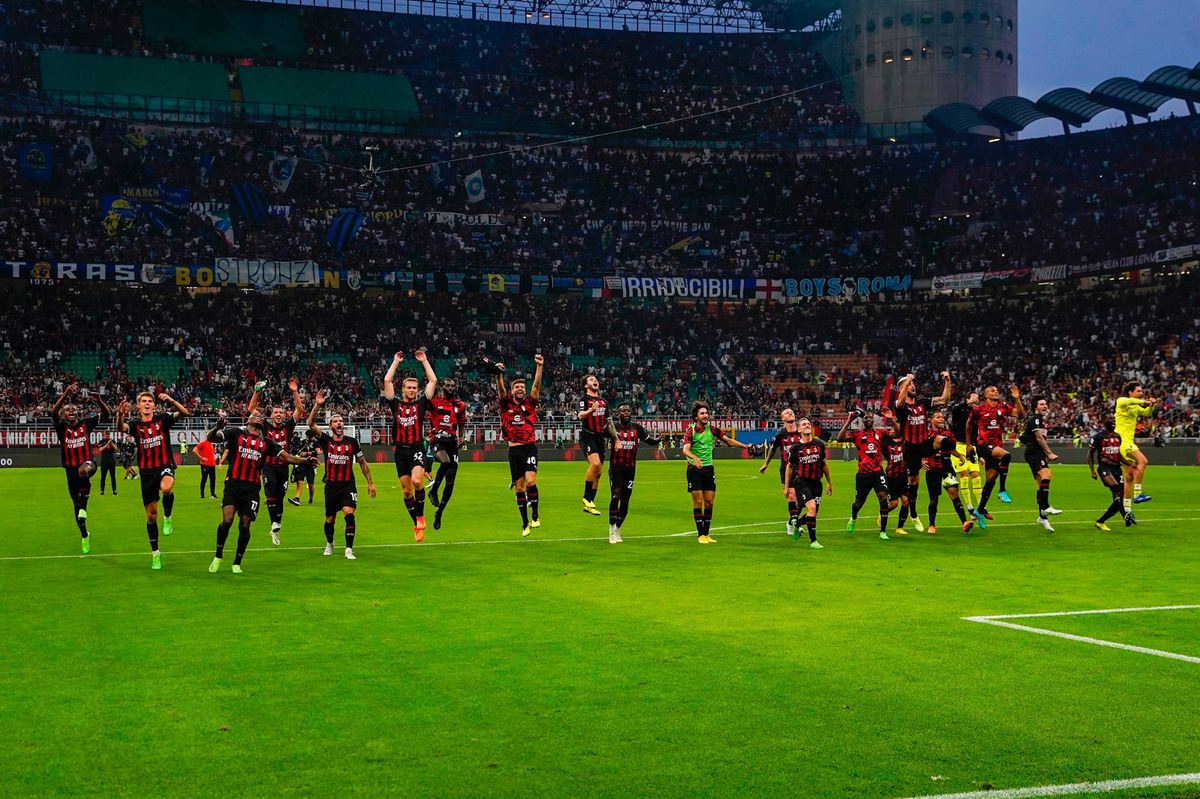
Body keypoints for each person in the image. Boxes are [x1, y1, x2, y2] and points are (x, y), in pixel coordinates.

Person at [205, 409, 315, 574]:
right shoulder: (236, 433)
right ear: (248, 420)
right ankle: (218, 555)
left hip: (251, 490)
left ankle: (237, 562)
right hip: (233, 486)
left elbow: (286, 457)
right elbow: (211, 438)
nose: (258, 416)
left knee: (244, 525)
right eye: (254, 415)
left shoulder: (267, 443)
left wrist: (306, 460)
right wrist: (216, 427)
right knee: (227, 521)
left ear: (263, 423)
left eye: (261, 417)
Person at [116, 391, 190, 570]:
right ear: (139, 405)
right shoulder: (135, 425)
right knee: (150, 516)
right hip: (147, 472)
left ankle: (168, 516)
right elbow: (121, 428)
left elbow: (185, 413)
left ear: (154, 405)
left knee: (166, 488)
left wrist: (172, 400)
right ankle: (155, 553)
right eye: (144, 401)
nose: (147, 403)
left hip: (164, 465)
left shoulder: (163, 419)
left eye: (150, 401)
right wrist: (120, 414)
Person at [307, 390, 376, 560]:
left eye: (341, 421)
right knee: (330, 519)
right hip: (331, 485)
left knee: (349, 513)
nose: (339, 423)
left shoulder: (352, 442)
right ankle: (330, 543)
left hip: (347, 485)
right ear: (330, 426)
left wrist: (370, 482)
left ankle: (348, 549)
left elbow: (362, 462)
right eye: (335, 421)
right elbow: (310, 423)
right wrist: (317, 405)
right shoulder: (325, 440)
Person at [382, 349, 438, 541]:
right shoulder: (395, 404)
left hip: (416, 448)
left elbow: (433, 381)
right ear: (403, 390)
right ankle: (416, 524)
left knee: (417, 481)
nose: (413, 390)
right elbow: (387, 381)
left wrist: (424, 361)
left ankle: (420, 517)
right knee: (407, 492)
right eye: (409, 387)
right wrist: (396, 362)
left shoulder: (421, 404)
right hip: (400, 451)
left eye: (415, 388)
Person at [50, 383, 110, 553]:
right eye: (67, 409)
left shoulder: (86, 424)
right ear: (63, 414)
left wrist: (99, 401)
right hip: (70, 469)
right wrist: (65, 395)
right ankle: (84, 535)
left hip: (87, 463)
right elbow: (53, 412)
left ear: (78, 413)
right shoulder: (61, 427)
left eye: (73, 409)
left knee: (84, 471)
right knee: (78, 511)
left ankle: (84, 506)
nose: (71, 411)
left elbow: (106, 415)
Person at [682, 400, 753, 544]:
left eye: (706, 413)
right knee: (698, 501)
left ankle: (707, 534)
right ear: (696, 416)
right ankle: (700, 535)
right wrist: (694, 457)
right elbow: (685, 449)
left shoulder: (712, 429)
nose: (705, 415)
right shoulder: (691, 431)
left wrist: (745, 446)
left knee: (709, 502)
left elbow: (728, 441)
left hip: (708, 469)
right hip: (694, 470)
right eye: (702, 413)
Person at [247, 378, 305, 545]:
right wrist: (257, 392)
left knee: (280, 498)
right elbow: (251, 409)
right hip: (268, 466)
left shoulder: (288, 427)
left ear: (284, 415)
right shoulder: (265, 426)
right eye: (276, 412)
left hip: (283, 467)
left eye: (281, 412)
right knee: (271, 493)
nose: (279, 415)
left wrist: (295, 391)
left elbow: (299, 410)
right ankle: (274, 525)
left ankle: (275, 526)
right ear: (271, 415)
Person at [892, 371, 952, 533]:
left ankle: (946, 470)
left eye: (912, 383)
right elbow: (899, 404)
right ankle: (913, 513)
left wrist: (947, 380)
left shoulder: (922, 402)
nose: (912, 385)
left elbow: (945, 399)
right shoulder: (900, 404)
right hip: (910, 448)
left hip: (924, 443)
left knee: (943, 440)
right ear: (902, 388)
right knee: (913, 484)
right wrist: (907, 380)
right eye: (908, 384)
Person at [495, 354, 545, 537]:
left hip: (529, 447)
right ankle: (524, 522)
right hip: (513, 450)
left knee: (531, 481)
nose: (520, 389)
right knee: (519, 488)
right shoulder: (505, 402)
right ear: (512, 389)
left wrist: (539, 367)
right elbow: (500, 390)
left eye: (522, 387)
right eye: (517, 387)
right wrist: (498, 374)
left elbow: (537, 386)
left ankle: (535, 515)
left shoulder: (530, 403)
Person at [967, 384, 1025, 525]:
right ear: (986, 395)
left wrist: (1017, 399)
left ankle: (979, 511)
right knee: (1007, 456)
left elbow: (1021, 416)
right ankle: (1002, 490)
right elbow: (969, 424)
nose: (996, 391)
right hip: (983, 444)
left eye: (997, 390)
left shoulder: (1003, 406)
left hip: (996, 445)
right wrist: (969, 444)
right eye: (992, 390)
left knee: (990, 481)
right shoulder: (979, 409)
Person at [837, 408, 897, 541]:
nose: (868, 419)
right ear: (862, 421)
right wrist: (848, 420)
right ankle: (853, 517)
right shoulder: (857, 434)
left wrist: (891, 419)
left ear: (873, 420)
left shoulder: (880, 433)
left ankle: (883, 531)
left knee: (883, 499)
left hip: (877, 472)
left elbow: (897, 434)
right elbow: (839, 438)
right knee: (859, 503)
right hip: (863, 474)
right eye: (866, 418)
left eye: (870, 418)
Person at [604, 403, 661, 543]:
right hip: (616, 467)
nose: (626, 413)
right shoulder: (612, 428)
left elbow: (649, 440)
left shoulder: (637, 428)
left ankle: (617, 528)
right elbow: (599, 434)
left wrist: (658, 440)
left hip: (630, 469)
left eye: (628, 411)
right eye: (623, 411)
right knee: (615, 495)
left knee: (625, 500)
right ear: (618, 414)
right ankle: (611, 530)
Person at [921, 410, 972, 535]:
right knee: (934, 499)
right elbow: (918, 450)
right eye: (938, 417)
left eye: (942, 417)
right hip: (932, 467)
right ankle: (932, 524)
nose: (941, 419)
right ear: (931, 420)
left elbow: (952, 449)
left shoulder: (948, 434)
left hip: (947, 466)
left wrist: (960, 456)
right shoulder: (925, 434)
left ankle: (964, 522)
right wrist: (921, 461)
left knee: (954, 493)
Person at [427, 377, 468, 531]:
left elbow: (462, 423)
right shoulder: (434, 402)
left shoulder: (460, 405)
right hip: (437, 440)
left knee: (450, 483)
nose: (451, 387)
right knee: (445, 462)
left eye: (453, 385)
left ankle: (439, 513)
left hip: (452, 443)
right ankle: (433, 491)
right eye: (447, 385)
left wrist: (462, 438)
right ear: (442, 387)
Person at [783, 418, 831, 550]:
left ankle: (797, 524)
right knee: (812, 508)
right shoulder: (795, 448)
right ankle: (813, 540)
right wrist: (786, 487)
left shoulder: (820, 445)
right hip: (802, 482)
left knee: (813, 512)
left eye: (808, 424)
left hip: (817, 483)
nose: (807, 425)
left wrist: (829, 483)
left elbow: (824, 465)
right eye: (804, 424)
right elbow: (790, 467)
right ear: (799, 430)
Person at [1018, 396, 1063, 532]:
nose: (1045, 406)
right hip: (1034, 452)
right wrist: (1049, 453)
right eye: (1041, 404)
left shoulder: (1042, 421)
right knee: (1046, 475)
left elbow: (1038, 438)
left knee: (1040, 484)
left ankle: (1042, 518)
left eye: (1045, 404)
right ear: (1035, 407)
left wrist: (1045, 453)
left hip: (1038, 452)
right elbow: (1038, 438)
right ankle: (1045, 507)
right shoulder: (1035, 419)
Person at [758, 408, 803, 536]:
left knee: (802, 501)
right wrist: (766, 464)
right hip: (787, 470)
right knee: (792, 496)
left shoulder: (801, 432)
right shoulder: (780, 435)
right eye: (787, 413)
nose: (791, 413)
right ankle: (795, 524)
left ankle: (790, 522)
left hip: (802, 470)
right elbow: (772, 450)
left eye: (792, 412)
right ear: (783, 419)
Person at [1088, 418, 1136, 530]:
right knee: (1116, 489)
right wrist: (1092, 471)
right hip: (1105, 468)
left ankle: (1100, 522)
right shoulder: (1098, 437)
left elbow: (1117, 453)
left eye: (1114, 420)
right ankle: (1125, 515)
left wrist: (1128, 462)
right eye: (1110, 420)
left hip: (1116, 468)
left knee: (1118, 497)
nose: (1113, 421)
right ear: (1105, 423)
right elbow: (1090, 454)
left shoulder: (1117, 436)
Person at [1115, 381, 1156, 509]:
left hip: (1126, 442)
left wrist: (1152, 405)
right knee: (1143, 461)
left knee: (1129, 477)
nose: (1141, 393)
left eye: (1141, 391)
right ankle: (1138, 494)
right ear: (1130, 392)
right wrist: (1145, 402)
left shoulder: (1135, 407)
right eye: (1138, 391)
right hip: (1123, 441)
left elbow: (1147, 413)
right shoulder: (1121, 401)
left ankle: (1127, 509)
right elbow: (1128, 402)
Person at [946, 391, 982, 515]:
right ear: (968, 399)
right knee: (964, 474)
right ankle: (970, 508)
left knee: (976, 475)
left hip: (972, 447)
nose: (977, 401)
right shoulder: (959, 410)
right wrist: (967, 403)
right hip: (959, 446)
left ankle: (981, 508)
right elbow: (955, 409)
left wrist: (980, 453)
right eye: (975, 399)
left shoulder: (977, 413)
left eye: (978, 399)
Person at [577, 373, 609, 516]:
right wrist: (591, 410)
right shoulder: (583, 399)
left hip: (600, 438)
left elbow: (608, 422)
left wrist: (617, 439)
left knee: (599, 472)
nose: (594, 380)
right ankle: (586, 498)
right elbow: (580, 415)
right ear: (586, 385)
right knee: (595, 464)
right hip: (587, 436)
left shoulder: (603, 401)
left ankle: (590, 503)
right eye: (591, 379)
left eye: (595, 379)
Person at [880, 409, 910, 535]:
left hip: (903, 476)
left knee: (906, 501)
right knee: (894, 504)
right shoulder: (886, 442)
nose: (894, 428)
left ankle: (900, 527)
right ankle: (883, 513)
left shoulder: (905, 441)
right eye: (893, 427)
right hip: (892, 477)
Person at [288, 429, 319, 506]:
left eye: (308, 436)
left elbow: (318, 451)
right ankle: (297, 498)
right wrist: (300, 453)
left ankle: (311, 498)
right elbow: (299, 452)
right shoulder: (303, 442)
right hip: (302, 463)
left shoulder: (315, 442)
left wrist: (308, 453)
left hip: (311, 465)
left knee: (310, 484)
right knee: (300, 481)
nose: (307, 437)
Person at [96, 431, 118, 496]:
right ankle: (102, 491)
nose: (107, 437)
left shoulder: (112, 441)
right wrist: (107, 444)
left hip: (112, 461)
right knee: (103, 477)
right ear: (104, 435)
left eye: (108, 436)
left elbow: (116, 449)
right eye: (106, 436)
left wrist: (111, 443)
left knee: (113, 476)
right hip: (104, 461)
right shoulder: (101, 441)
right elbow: (100, 450)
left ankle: (114, 491)